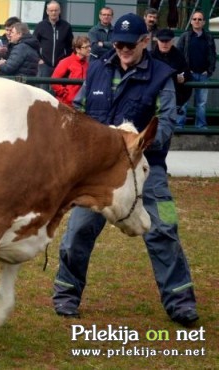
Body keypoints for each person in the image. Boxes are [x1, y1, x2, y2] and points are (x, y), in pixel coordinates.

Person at [53, 13, 199, 327]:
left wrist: (136, 142)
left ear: (145, 41)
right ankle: (66, 293)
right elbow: (79, 111)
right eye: (118, 43)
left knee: (164, 227)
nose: (122, 49)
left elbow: (167, 122)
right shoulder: (97, 70)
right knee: (77, 230)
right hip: (98, 171)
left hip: (148, 169)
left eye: (129, 44)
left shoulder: (163, 76)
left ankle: (181, 301)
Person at [176, 11, 216, 129]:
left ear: (203, 22)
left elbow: (212, 55)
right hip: (188, 74)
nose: (197, 21)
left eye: (199, 19)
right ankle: (179, 124)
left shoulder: (208, 37)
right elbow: (179, 54)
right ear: (191, 21)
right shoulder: (185, 36)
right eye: (194, 19)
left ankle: (201, 125)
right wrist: (185, 70)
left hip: (203, 75)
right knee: (184, 101)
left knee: (202, 103)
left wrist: (209, 71)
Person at [151, 29, 192, 129]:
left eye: (167, 41)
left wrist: (183, 78)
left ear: (172, 41)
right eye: (162, 41)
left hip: (175, 98)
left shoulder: (179, 56)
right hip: (154, 100)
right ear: (157, 41)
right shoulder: (150, 56)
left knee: (174, 129)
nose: (165, 44)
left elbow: (187, 72)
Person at [33, 1, 73, 92]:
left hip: (61, 64)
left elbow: (70, 46)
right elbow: (33, 44)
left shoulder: (66, 26)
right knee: (43, 91)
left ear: (60, 11)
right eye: (51, 10)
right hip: (44, 64)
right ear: (47, 11)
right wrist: (38, 59)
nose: (53, 13)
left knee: (58, 91)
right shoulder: (40, 26)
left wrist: (66, 60)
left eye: (56, 10)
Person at [50, 36, 90, 105]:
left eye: (89, 46)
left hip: (81, 105)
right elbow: (54, 81)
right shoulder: (66, 62)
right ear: (77, 49)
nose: (89, 49)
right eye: (86, 47)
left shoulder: (87, 65)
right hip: (66, 105)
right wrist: (65, 94)